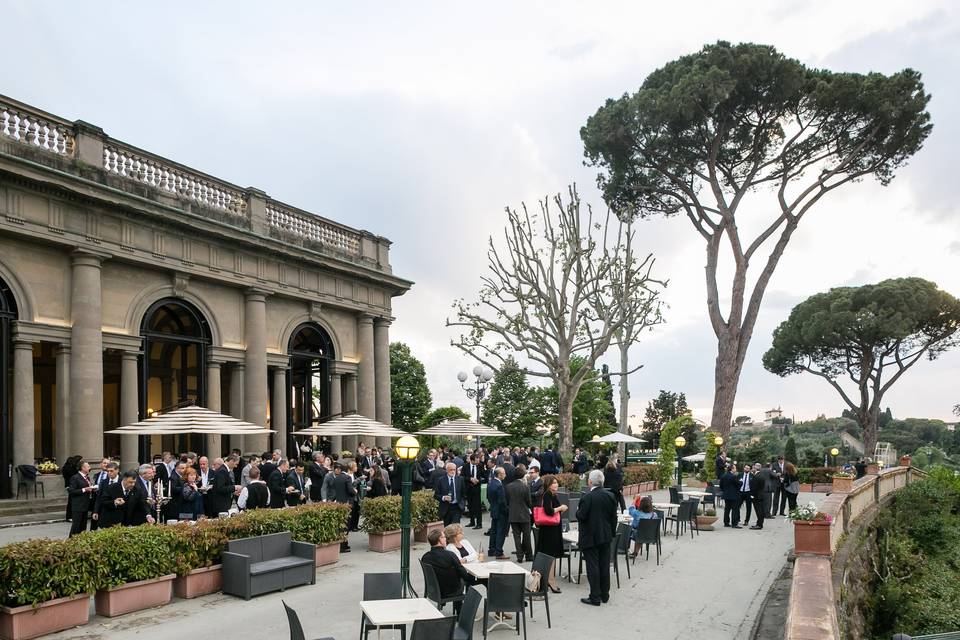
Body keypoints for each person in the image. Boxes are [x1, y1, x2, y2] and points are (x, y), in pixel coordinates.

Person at [576, 469, 618, 606]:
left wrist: (577, 510)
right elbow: (614, 517)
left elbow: (581, 516)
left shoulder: (587, 497)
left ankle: (595, 596)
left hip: (590, 537)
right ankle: (605, 594)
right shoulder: (610, 496)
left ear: (590, 482)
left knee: (593, 566)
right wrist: (612, 533)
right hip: (605, 536)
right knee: (604, 565)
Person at [421, 529, 475, 613]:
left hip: (434, 590)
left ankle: (459, 609)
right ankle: (462, 611)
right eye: (444, 537)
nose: (446, 539)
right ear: (439, 540)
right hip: (450, 591)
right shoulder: (450, 555)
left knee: (458, 579)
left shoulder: (425, 557)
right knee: (466, 580)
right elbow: (464, 575)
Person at [536, 475, 566, 593]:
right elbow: (548, 511)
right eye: (554, 483)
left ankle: (549, 580)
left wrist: (560, 509)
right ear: (548, 484)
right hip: (550, 530)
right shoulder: (548, 494)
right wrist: (560, 508)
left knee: (550, 556)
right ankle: (551, 581)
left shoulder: (552, 494)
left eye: (557, 483)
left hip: (552, 528)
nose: (556, 485)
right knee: (550, 556)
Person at [505, 467, 533, 563]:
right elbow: (529, 502)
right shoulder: (525, 487)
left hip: (513, 514)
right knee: (527, 536)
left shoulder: (508, 486)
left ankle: (519, 556)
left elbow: (507, 501)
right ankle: (529, 555)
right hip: (524, 514)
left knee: (516, 537)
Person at [67, 461, 97, 536]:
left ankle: (81, 540)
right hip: (78, 505)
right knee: (76, 526)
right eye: (88, 466)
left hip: (85, 505)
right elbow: (71, 491)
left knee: (83, 525)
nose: (89, 467)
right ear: (82, 468)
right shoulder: (75, 477)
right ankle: (71, 541)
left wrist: (92, 489)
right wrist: (84, 489)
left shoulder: (87, 477)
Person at [486, 467, 509, 560]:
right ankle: (499, 552)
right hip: (501, 512)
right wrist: (507, 511)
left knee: (494, 531)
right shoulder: (499, 485)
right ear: (499, 474)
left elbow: (488, 497)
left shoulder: (491, 483)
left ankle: (492, 550)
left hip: (494, 510)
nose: (505, 475)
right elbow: (502, 502)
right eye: (504, 473)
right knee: (501, 532)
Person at [91, 461, 119, 530]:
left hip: (119, 513)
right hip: (105, 513)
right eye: (108, 471)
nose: (109, 473)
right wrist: (95, 511)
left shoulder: (122, 481)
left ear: (117, 470)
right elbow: (99, 497)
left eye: (111, 471)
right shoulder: (104, 482)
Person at [462, 454, 483, 530]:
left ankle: (479, 523)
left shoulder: (480, 466)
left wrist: (478, 481)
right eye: (476, 460)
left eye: (478, 460)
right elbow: (462, 476)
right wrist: (470, 479)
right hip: (468, 488)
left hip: (477, 488)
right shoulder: (465, 466)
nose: (478, 462)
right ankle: (472, 521)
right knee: (470, 505)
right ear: (472, 460)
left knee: (477, 506)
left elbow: (484, 476)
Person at [719, 463, 742, 528]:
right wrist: (741, 481)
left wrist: (725, 491)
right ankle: (734, 524)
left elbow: (721, 486)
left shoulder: (723, 476)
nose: (736, 469)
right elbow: (739, 484)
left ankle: (726, 523)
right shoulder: (733, 476)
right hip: (734, 495)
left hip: (726, 495)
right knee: (735, 509)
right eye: (735, 468)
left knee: (727, 509)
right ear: (732, 469)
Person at [749, 463, 766, 530]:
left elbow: (754, 487)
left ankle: (759, 525)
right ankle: (759, 523)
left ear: (755, 468)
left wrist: (752, 495)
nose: (752, 468)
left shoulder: (756, 476)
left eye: (753, 467)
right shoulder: (762, 475)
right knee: (760, 510)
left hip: (756, 495)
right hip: (761, 494)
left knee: (758, 510)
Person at [739, 462, 754, 527]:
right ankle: (737, 519)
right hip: (740, 492)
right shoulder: (740, 474)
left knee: (749, 507)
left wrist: (752, 494)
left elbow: (753, 485)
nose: (746, 469)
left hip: (748, 492)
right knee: (737, 506)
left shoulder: (752, 476)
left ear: (750, 469)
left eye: (748, 468)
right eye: (745, 468)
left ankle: (746, 521)